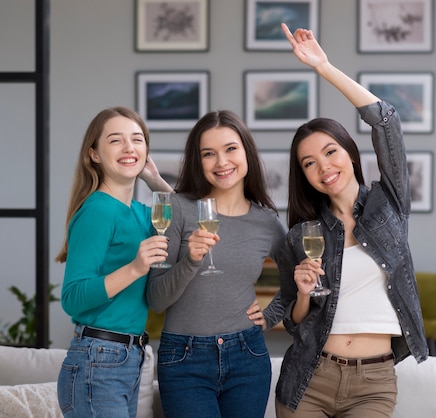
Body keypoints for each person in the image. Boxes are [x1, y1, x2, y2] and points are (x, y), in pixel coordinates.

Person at [274, 24, 429, 417]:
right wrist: (305, 292)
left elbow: (387, 122)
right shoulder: (301, 236)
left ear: (350, 153)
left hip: (373, 384)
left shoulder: (388, 205)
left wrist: (323, 67)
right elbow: (295, 321)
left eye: (330, 152)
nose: (323, 167)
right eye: (309, 163)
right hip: (308, 377)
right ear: (304, 176)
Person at [146, 109, 286, 418]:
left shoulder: (266, 222)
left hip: (248, 356)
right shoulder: (177, 209)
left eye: (230, 149)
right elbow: (156, 299)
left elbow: (300, 278)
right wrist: (191, 260)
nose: (222, 162)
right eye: (209, 154)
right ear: (199, 162)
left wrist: (272, 313)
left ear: (246, 152)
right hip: (184, 359)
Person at [55, 106, 172, 418]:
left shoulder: (139, 212)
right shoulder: (97, 210)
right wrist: (135, 268)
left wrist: (156, 180)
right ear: (94, 154)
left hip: (127, 356)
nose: (129, 147)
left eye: (137, 139)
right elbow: (72, 298)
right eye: (115, 140)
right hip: (99, 359)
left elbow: (195, 222)